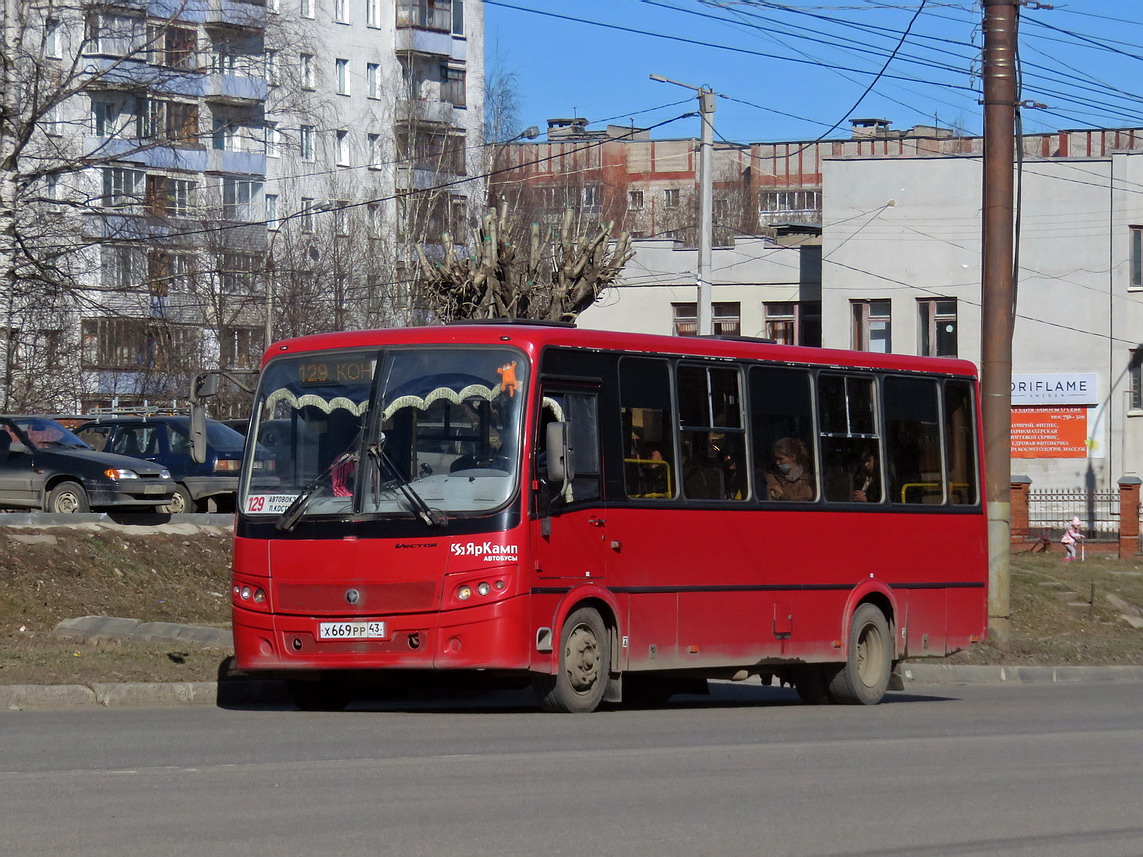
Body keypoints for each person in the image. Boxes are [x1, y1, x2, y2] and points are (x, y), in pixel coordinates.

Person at [766, 437, 814, 501]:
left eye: (780, 459)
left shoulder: (809, 478)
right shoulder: (772, 476)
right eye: (776, 459)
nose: (777, 463)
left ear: (793, 457)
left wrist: (781, 493)